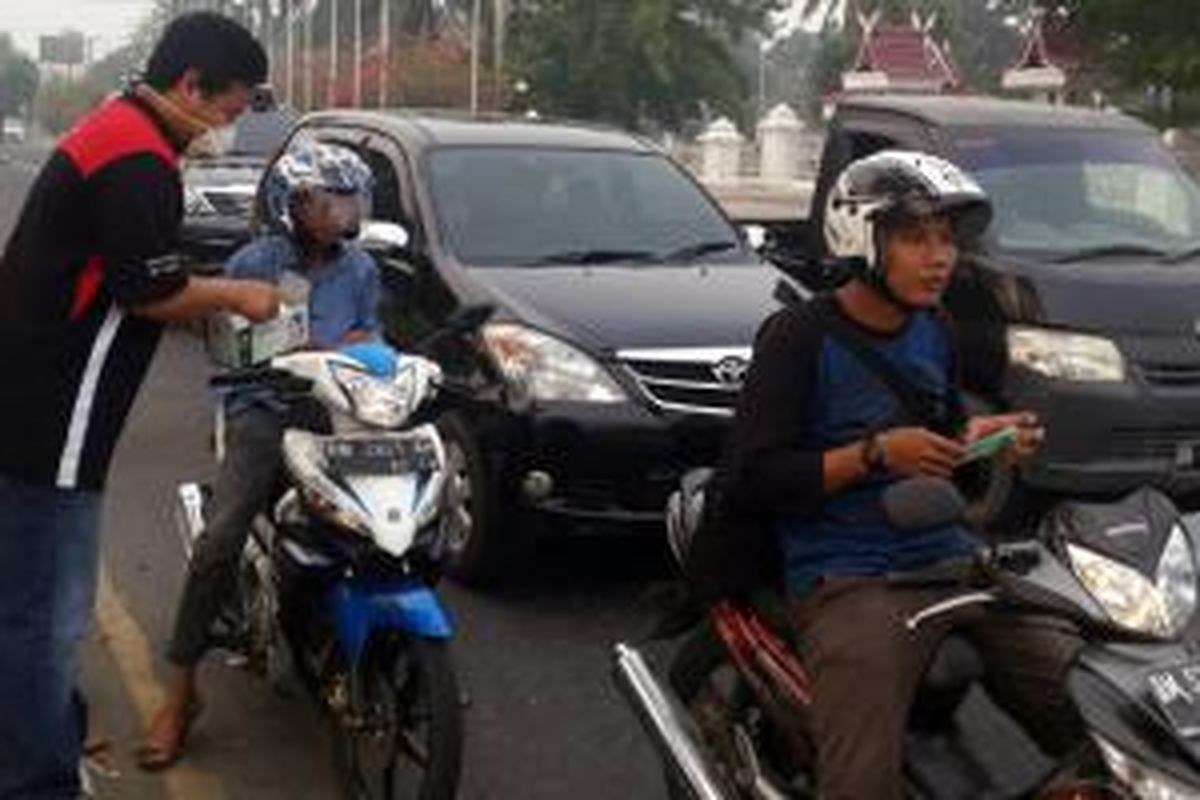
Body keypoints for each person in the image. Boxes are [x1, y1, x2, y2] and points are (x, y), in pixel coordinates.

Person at [725, 150, 1083, 799]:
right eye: (916, 239)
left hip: (950, 558)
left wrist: (980, 443)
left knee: (1089, 702)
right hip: (849, 575)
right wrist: (874, 454)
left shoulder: (935, 329)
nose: (940, 257)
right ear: (862, 241)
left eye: (946, 240)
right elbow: (756, 477)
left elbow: (937, 443)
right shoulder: (796, 337)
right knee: (860, 782)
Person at [0, 13, 278, 797]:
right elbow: (150, 287)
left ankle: (46, 742)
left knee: (32, 607)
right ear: (189, 87)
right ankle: (36, 782)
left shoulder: (124, 132)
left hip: (31, 400)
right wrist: (241, 295)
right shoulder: (135, 157)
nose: (228, 126)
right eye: (229, 108)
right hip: (49, 416)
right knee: (43, 623)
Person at [139, 138, 382, 770]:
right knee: (221, 538)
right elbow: (228, 343)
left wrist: (365, 351)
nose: (342, 212)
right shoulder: (256, 259)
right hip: (263, 411)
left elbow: (368, 337)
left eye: (349, 201)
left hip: (337, 413)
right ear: (292, 204)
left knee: (384, 521)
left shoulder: (361, 269)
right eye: (329, 201)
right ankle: (179, 693)